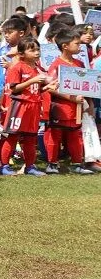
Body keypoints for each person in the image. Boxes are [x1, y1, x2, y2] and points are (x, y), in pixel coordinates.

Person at [44, 26, 95, 174]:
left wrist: (89, 103)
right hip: (60, 109)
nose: (80, 46)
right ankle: (52, 164)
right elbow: (51, 87)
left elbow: (87, 86)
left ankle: (77, 164)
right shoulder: (56, 66)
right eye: (77, 44)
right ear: (65, 46)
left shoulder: (79, 64)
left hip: (76, 109)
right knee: (55, 135)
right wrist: (72, 98)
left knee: (75, 135)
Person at [0, 38, 48, 176]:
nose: (37, 52)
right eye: (32, 50)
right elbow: (14, 89)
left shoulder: (38, 68)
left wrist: (47, 87)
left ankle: (30, 166)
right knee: (12, 136)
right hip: (20, 106)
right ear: (21, 53)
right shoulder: (17, 67)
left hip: (34, 106)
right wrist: (32, 80)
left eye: (38, 49)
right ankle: (4, 166)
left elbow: (36, 88)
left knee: (31, 138)